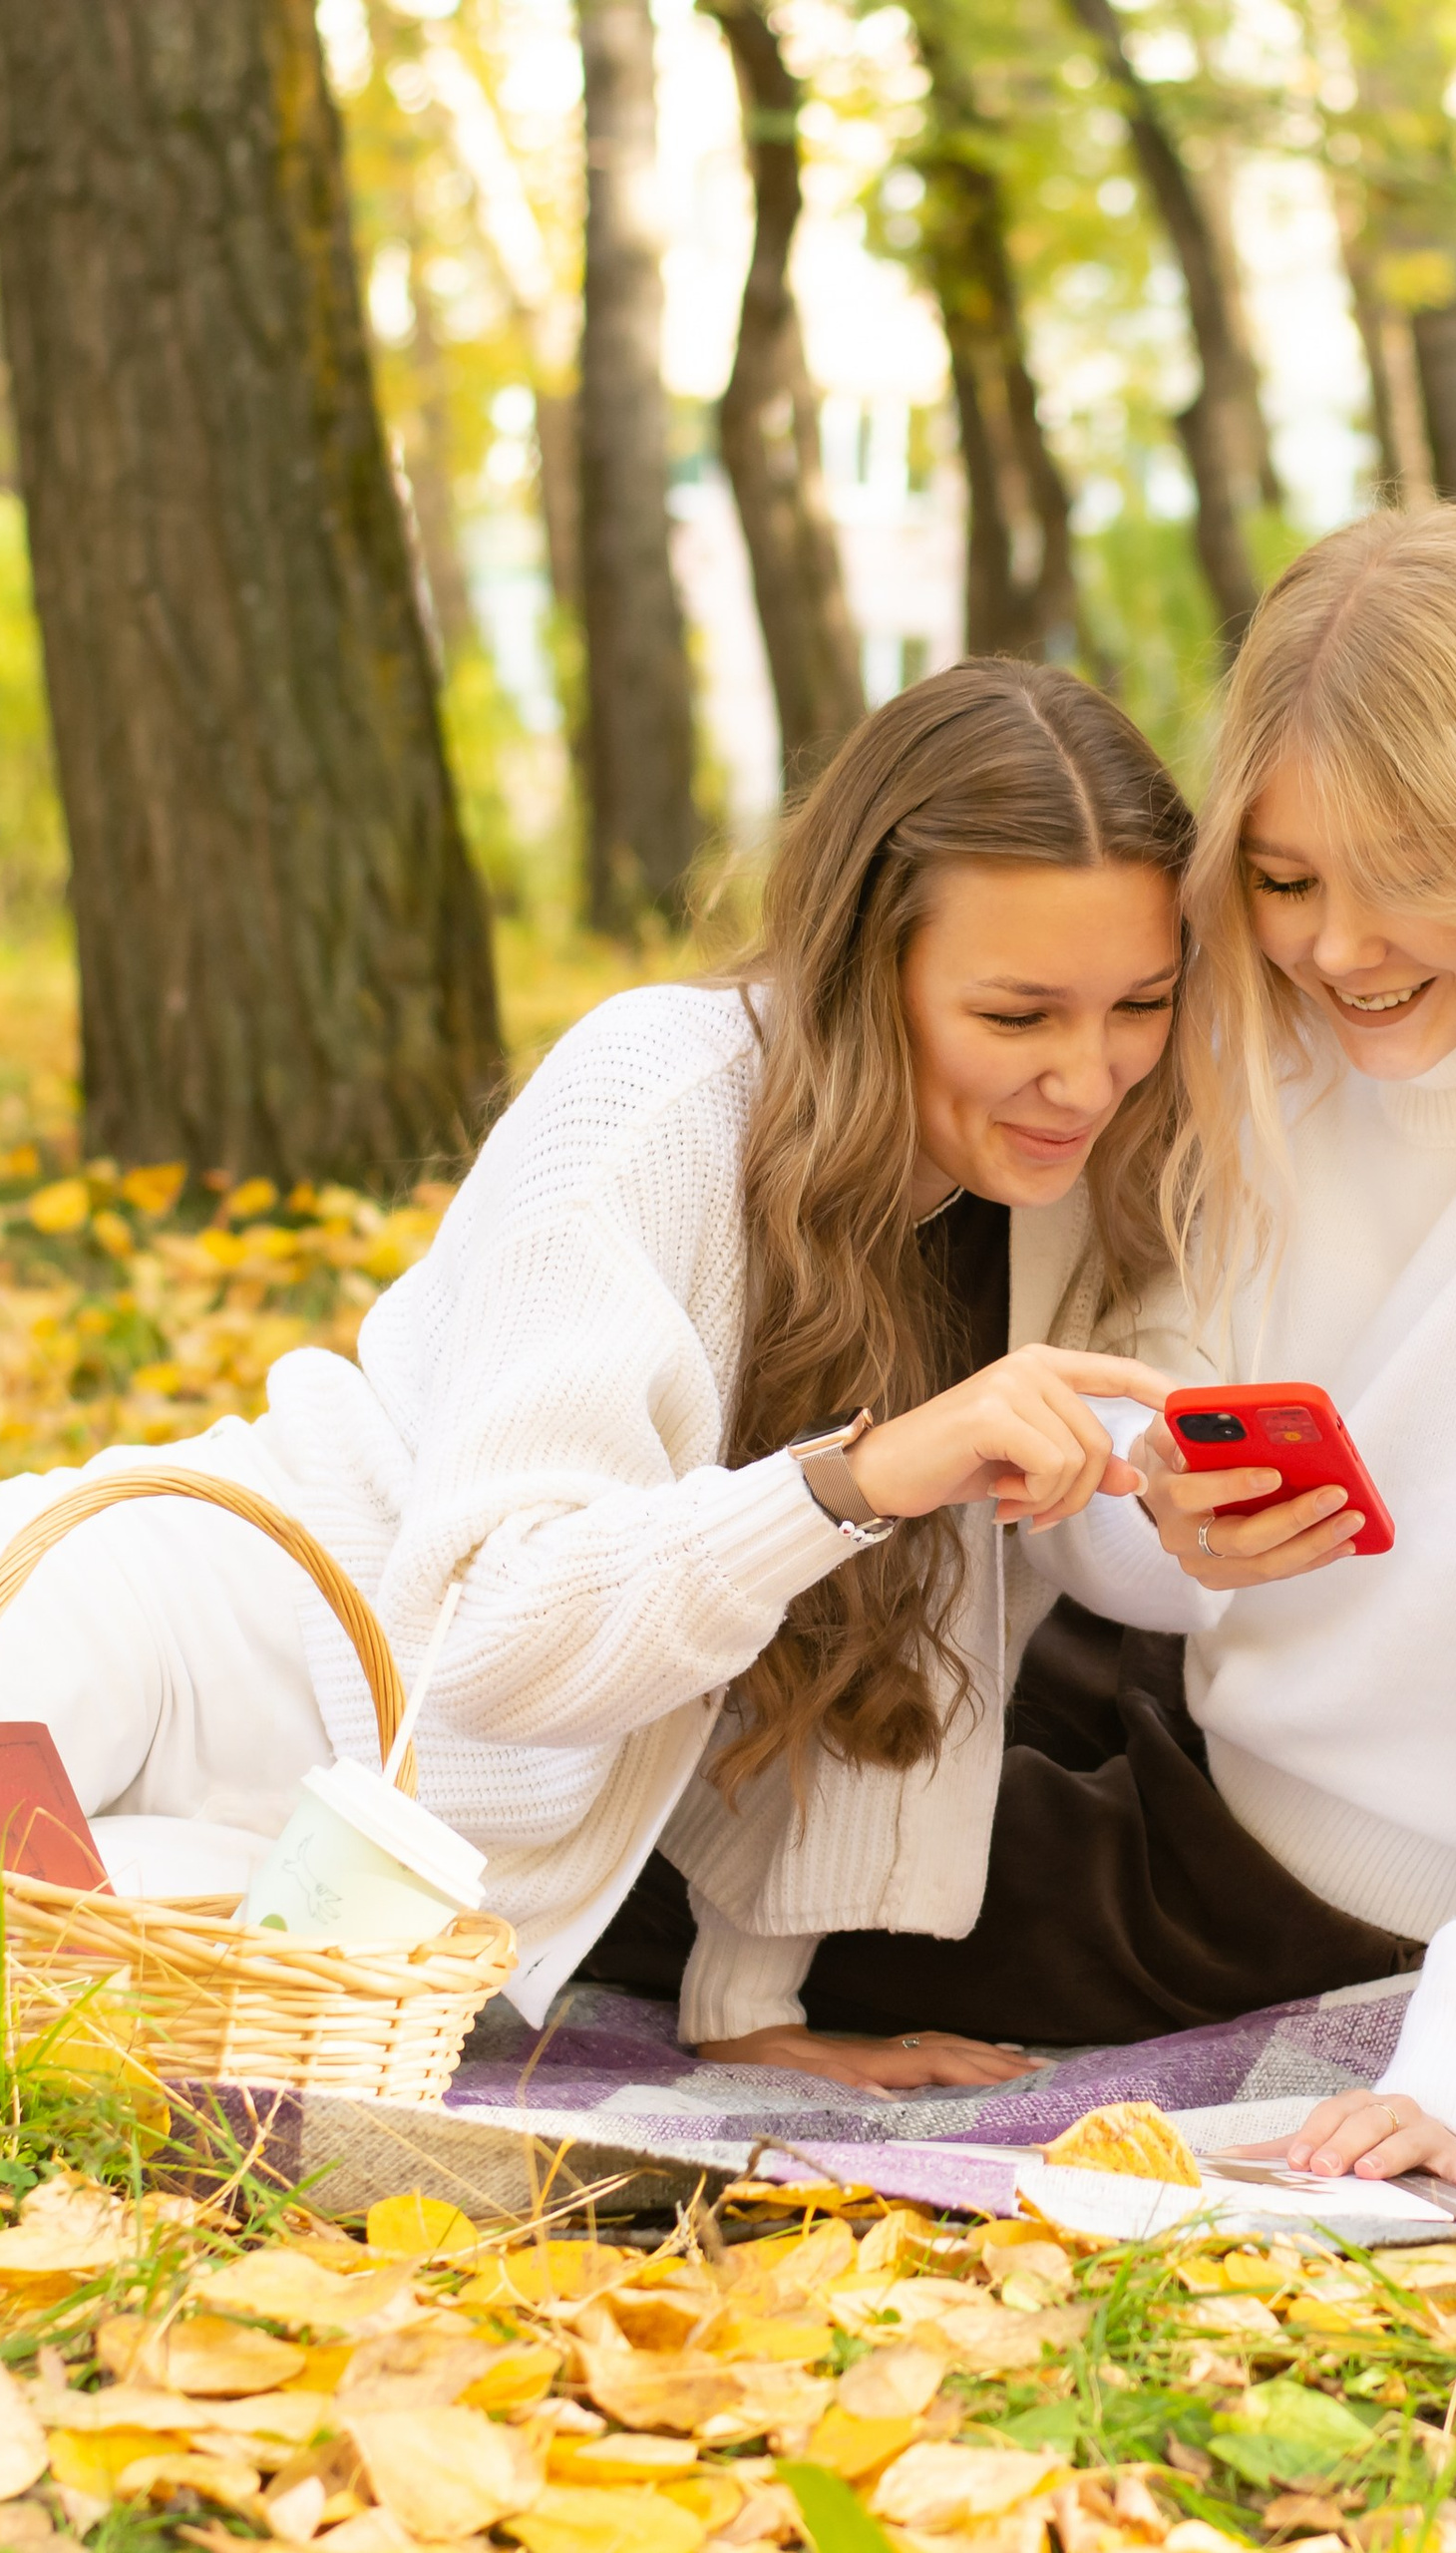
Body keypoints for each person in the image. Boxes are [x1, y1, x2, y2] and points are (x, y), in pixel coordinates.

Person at [689, 507, 1456, 2187]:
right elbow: (1122, 1435)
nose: (1338, 951)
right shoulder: (1272, 1037)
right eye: (1286, 882)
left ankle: (257, 1851)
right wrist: (1159, 1514)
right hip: (1189, 1698)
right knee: (744, 1663)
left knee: (662, 1841)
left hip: (1325, 1868)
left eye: (1407, 886)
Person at [0, 660, 1197, 2090]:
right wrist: (852, 1482)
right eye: (1018, 1016)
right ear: (860, 968)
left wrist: (749, 2009)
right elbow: (496, 1629)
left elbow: (887, 1657)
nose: (1089, 1076)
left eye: (1142, 1003)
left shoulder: (1040, 1205)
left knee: (118, 2003)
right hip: (187, 1627)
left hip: (357, 1856)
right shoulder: (656, 1098)